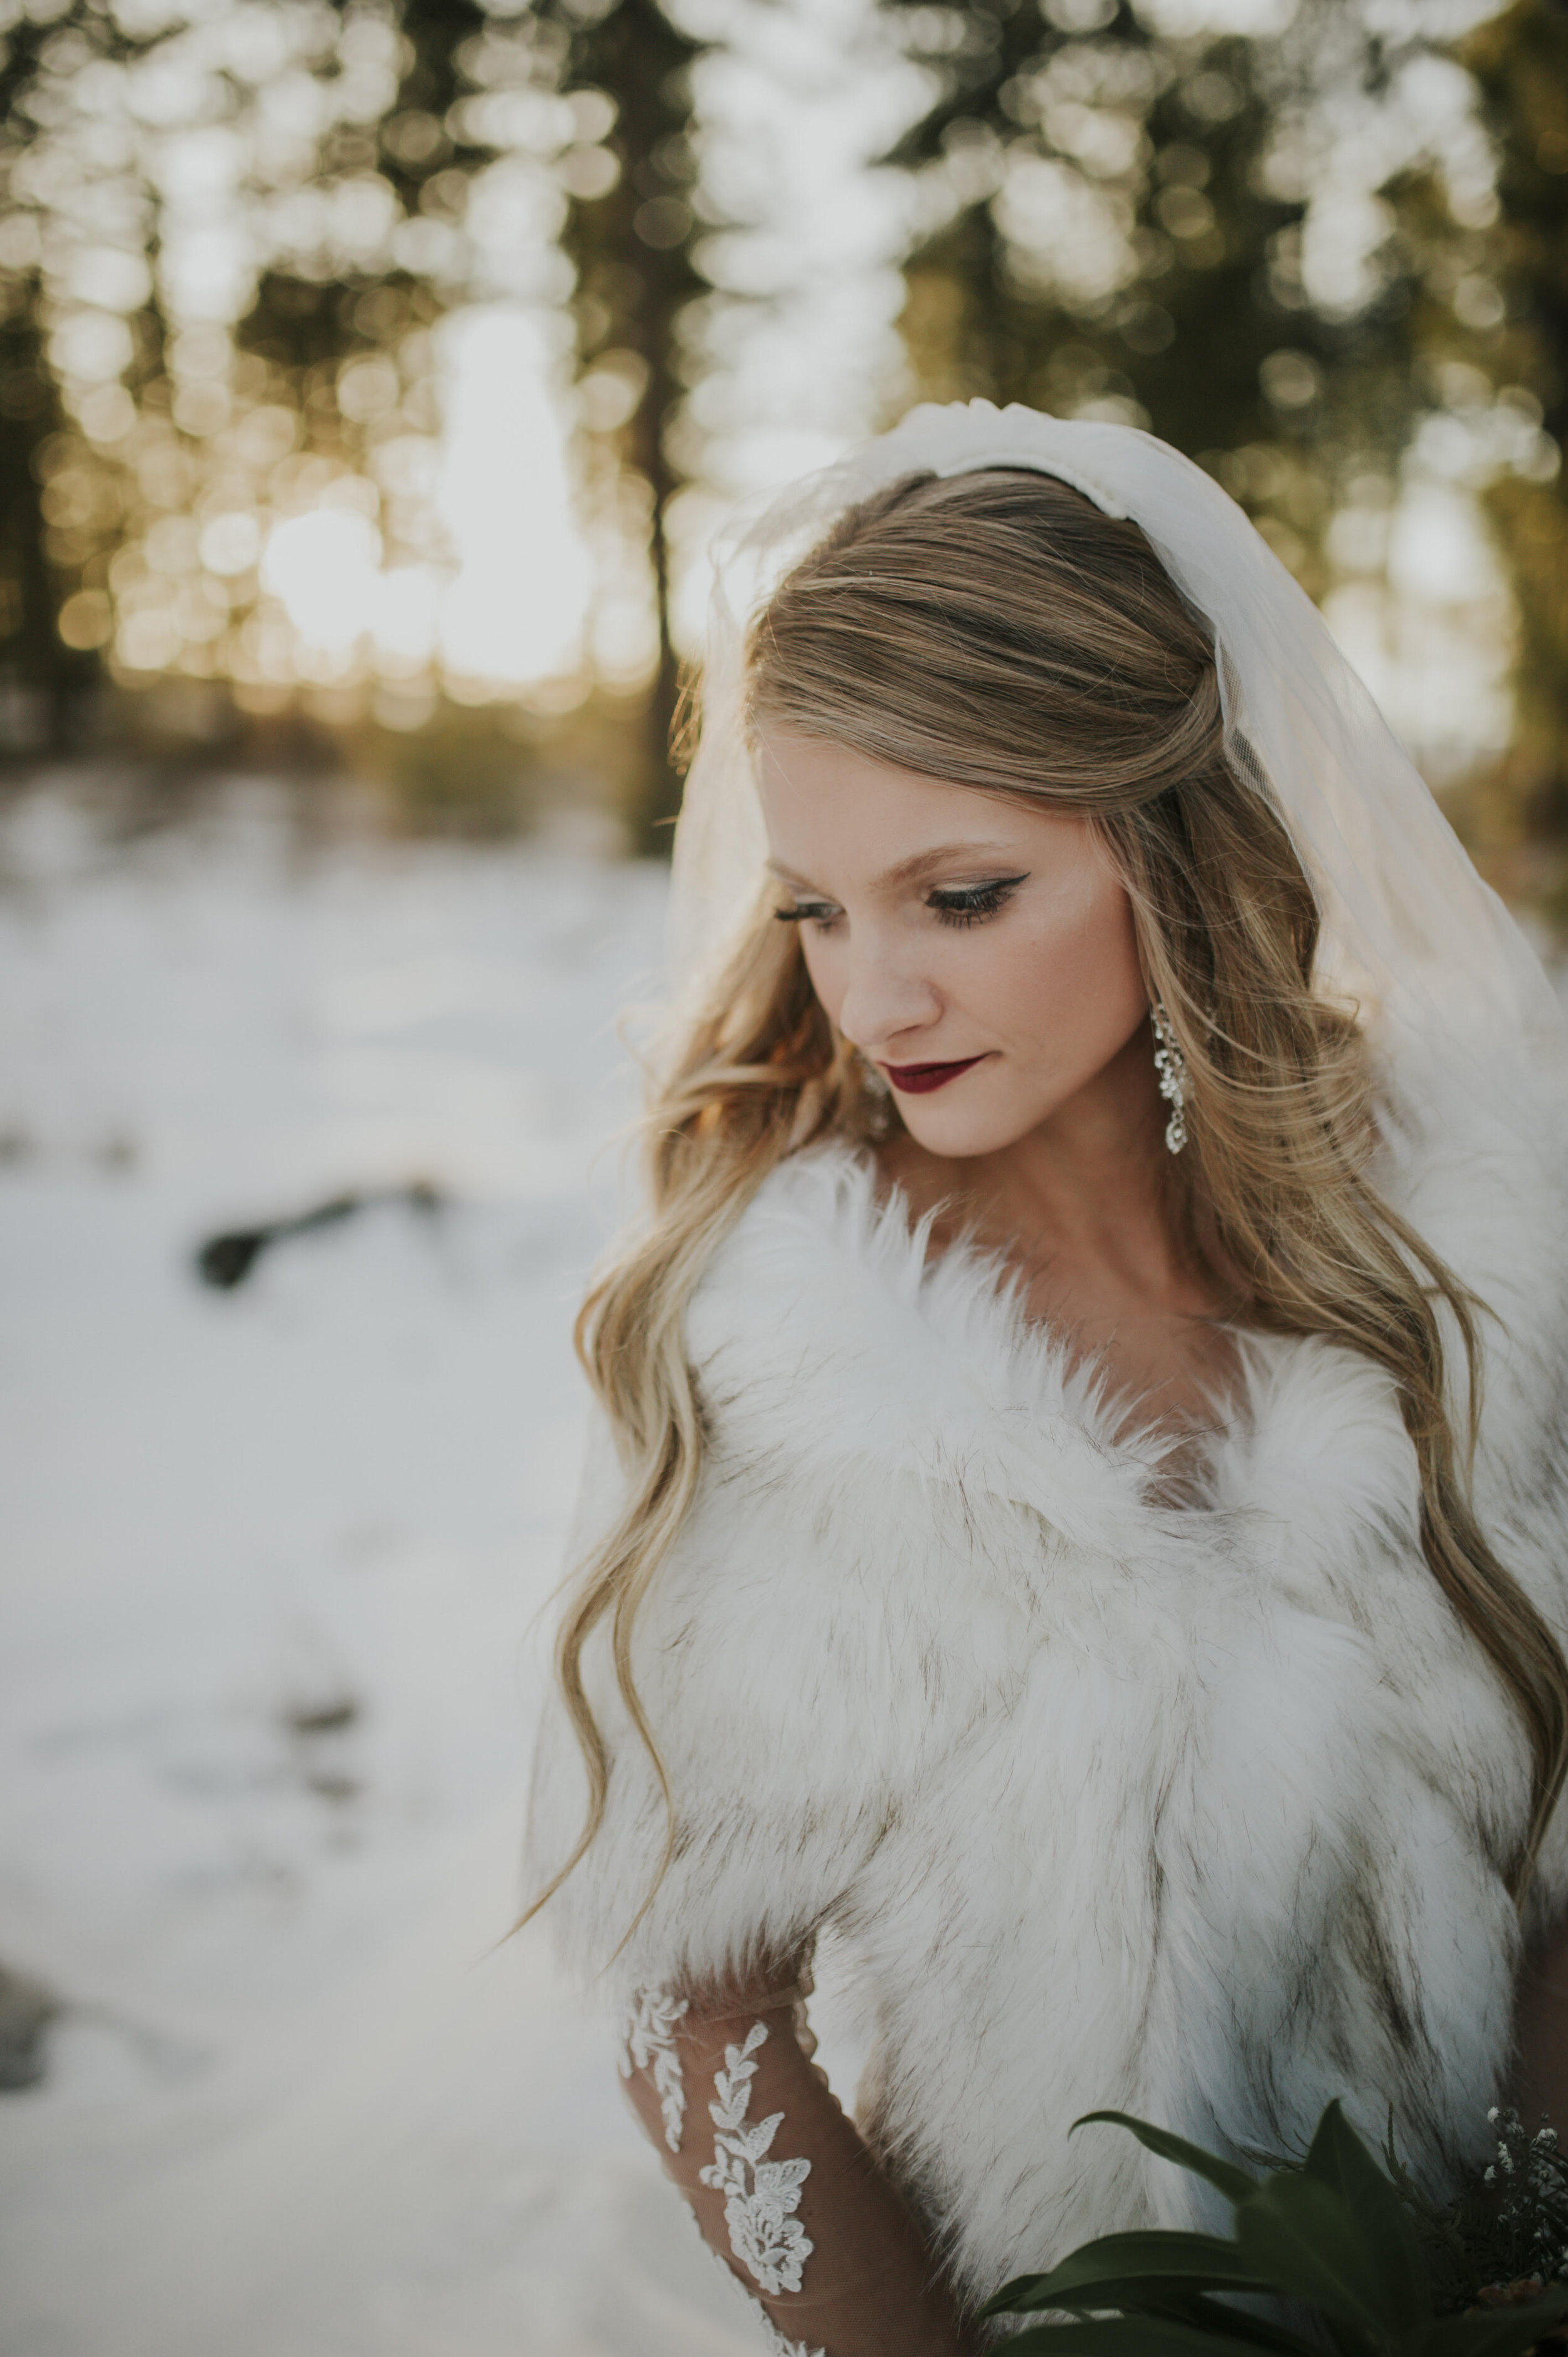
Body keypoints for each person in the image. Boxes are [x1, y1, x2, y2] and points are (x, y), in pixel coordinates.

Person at [523, 401, 1568, 2355]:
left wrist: (1530, 2271)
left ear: (1171, 848)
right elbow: (698, 2010)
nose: (874, 998)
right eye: (816, 911)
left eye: (963, 895)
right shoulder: (766, 1353)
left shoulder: (1482, 1247)